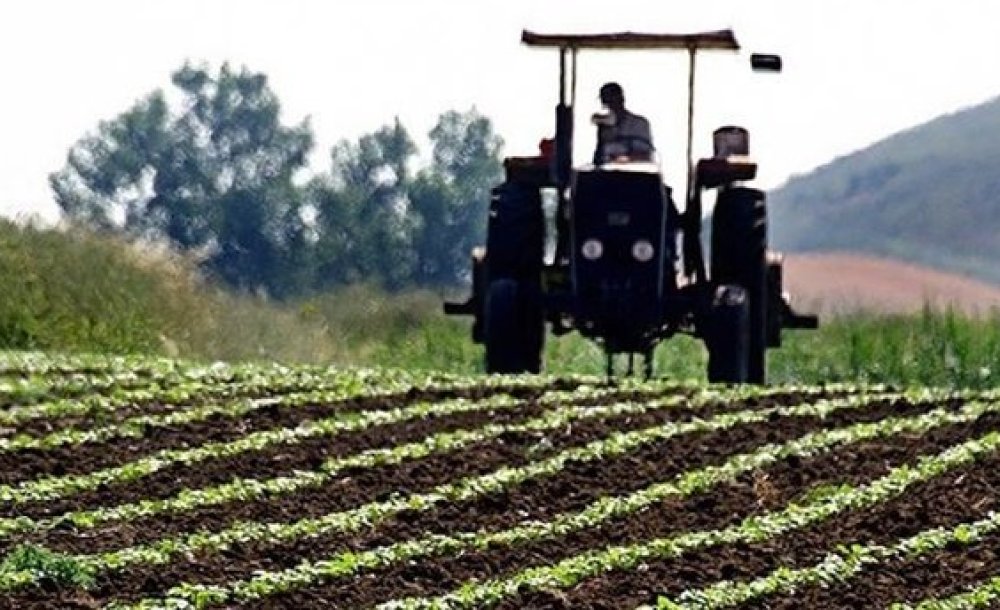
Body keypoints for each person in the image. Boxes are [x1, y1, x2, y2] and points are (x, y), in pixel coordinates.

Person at [592, 82, 654, 164]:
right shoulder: (604, 124)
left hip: (635, 172)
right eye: (605, 101)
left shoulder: (639, 123)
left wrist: (623, 158)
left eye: (611, 99)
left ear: (621, 99)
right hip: (608, 173)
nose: (608, 104)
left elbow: (645, 154)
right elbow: (599, 158)